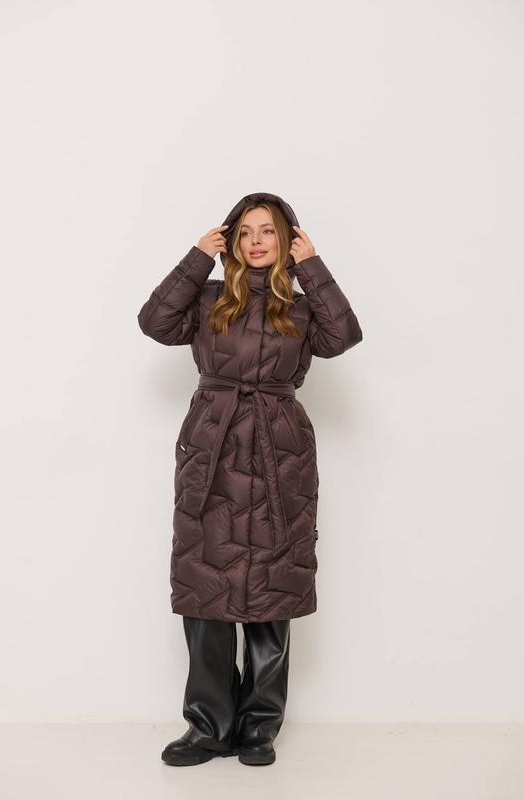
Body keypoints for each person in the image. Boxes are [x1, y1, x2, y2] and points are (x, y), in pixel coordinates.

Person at [137, 192, 363, 767]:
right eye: (245, 232)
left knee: (272, 587)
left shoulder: (302, 307)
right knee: (205, 586)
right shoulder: (208, 298)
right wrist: (196, 258)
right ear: (231, 241)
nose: (256, 241)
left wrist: (313, 267)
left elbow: (343, 338)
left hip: (280, 451)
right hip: (211, 450)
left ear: (287, 241)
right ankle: (208, 726)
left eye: (268, 231)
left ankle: (259, 726)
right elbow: (154, 322)